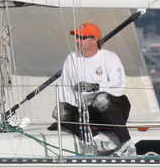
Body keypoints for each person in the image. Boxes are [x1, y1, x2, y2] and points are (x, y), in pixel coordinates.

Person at [55, 22, 136, 155]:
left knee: (101, 99)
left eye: (82, 37)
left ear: (95, 39)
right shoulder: (71, 59)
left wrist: (93, 87)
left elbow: (119, 86)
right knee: (59, 110)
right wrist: (70, 112)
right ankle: (96, 139)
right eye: (77, 37)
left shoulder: (110, 57)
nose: (77, 41)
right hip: (87, 112)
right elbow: (65, 90)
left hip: (114, 108)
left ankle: (127, 144)